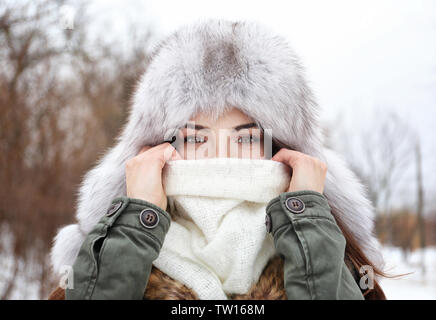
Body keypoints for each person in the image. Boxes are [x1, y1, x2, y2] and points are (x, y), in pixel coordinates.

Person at [48, 19, 387, 300]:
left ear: (282, 149)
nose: (222, 154)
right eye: (195, 137)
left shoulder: (337, 264)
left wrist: (309, 222)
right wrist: (135, 222)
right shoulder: (102, 262)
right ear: (156, 151)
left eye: (247, 137)